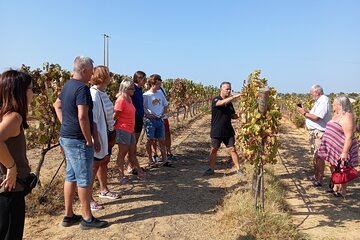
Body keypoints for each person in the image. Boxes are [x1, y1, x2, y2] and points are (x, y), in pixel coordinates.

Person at [53, 56, 108, 229]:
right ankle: (87, 218)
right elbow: (83, 116)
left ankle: (68, 215)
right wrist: (88, 139)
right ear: (83, 70)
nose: (92, 73)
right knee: (84, 178)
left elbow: (57, 105)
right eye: (91, 70)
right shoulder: (82, 89)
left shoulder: (68, 85)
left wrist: (65, 124)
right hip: (78, 140)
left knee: (71, 176)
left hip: (66, 137)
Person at [0, 70, 33, 239]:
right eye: (30, 89)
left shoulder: (4, 115)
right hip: (11, 191)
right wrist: (11, 167)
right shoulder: (14, 117)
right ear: (19, 91)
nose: (32, 93)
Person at [89, 66, 120, 211]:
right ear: (102, 77)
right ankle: (88, 198)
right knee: (94, 166)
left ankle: (104, 190)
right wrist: (97, 140)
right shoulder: (94, 94)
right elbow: (94, 120)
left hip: (106, 134)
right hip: (99, 136)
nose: (110, 77)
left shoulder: (103, 93)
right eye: (108, 74)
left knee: (104, 162)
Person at [316, 96, 358, 197]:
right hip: (333, 146)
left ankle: (342, 191)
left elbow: (348, 136)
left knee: (343, 168)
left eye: (334, 104)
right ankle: (335, 187)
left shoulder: (347, 116)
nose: (333, 105)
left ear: (340, 105)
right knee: (333, 166)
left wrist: (344, 152)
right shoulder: (337, 114)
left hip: (342, 147)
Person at [203, 82, 243, 176]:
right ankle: (211, 169)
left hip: (228, 130)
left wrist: (240, 114)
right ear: (221, 89)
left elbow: (233, 116)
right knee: (214, 150)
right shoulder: (216, 99)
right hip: (217, 130)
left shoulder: (229, 104)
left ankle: (238, 169)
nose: (228, 91)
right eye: (226, 89)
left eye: (230, 89)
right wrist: (234, 97)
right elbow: (221, 103)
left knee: (232, 149)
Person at [297, 84, 331, 187]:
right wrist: (306, 111)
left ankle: (319, 180)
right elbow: (314, 114)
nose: (311, 95)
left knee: (319, 157)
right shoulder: (319, 101)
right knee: (315, 155)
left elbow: (317, 117)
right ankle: (316, 176)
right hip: (315, 133)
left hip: (319, 133)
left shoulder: (324, 101)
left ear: (317, 92)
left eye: (312, 94)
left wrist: (304, 113)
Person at [114, 80, 146, 183]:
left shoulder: (129, 99)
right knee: (122, 153)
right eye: (132, 88)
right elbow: (115, 116)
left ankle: (140, 172)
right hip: (123, 129)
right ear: (125, 89)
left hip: (130, 129)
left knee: (132, 152)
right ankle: (120, 175)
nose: (134, 90)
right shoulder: (121, 100)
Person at [143, 74, 173, 167]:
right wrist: (148, 115)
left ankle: (165, 160)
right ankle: (150, 159)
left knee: (161, 140)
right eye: (158, 84)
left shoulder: (160, 93)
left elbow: (165, 104)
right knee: (150, 140)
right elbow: (143, 107)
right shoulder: (146, 95)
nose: (160, 86)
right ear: (152, 84)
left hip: (160, 120)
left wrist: (163, 113)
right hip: (150, 121)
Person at [127, 71, 146, 175]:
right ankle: (130, 166)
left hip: (139, 118)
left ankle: (132, 164)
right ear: (139, 78)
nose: (145, 81)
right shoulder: (132, 88)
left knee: (134, 143)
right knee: (131, 144)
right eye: (144, 79)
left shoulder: (139, 89)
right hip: (133, 119)